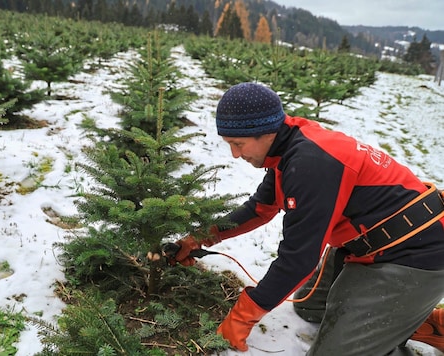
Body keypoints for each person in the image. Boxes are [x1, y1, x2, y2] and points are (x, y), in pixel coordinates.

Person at [168, 82, 444, 355]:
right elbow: (258, 209)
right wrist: (198, 238)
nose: (235, 154)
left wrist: (242, 316)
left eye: (238, 144)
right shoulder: (288, 146)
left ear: (266, 131)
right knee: (309, 307)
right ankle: (407, 318)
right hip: (369, 245)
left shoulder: (311, 164)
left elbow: (298, 260)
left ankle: (406, 318)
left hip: (416, 254)